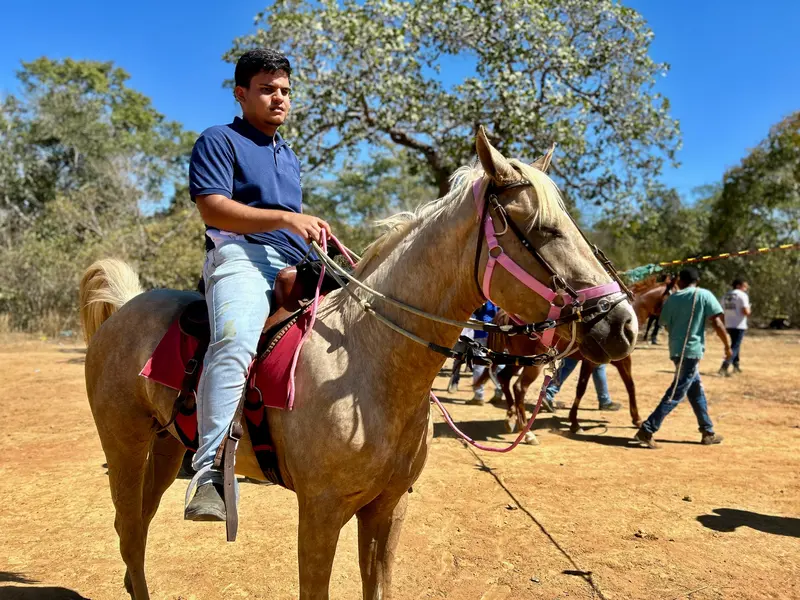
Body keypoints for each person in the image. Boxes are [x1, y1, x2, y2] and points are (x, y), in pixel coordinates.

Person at [184, 49, 331, 521]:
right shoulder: (219, 140)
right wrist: (287, 218)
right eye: (268, 89)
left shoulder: (288, 156)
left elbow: (290, 224)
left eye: (285, 91)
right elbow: (213, 208)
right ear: (241, 93)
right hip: (239, 257)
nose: (279, 98)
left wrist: (315, 237)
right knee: (234, 339)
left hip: (295, 262)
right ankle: (208, 475)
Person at [635, 267, 731, 449]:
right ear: (697, 281)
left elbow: (664, 323)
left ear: (680, 281)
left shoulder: (673, 298)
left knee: (695, 390)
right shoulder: (703, 295)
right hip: (691, 351)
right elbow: (717, 322)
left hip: (677, 350)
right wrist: (727, 346)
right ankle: (647, 429)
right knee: (676, 392)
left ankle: (707, 431)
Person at [543, 358, 621, 413]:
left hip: (575, 338)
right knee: (599, 365)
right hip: (590, 341)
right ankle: (605, 401)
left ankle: (548, 394)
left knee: (568, 363)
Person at [465, 301, 502, 405]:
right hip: (494, 333)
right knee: (498, 362)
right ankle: (500, 391)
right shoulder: (494, 298)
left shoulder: (482, 297)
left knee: (479, 364)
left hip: (482, 332)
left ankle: (478, 396)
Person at [719, 277, 751, 376]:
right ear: (738, 285)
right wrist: (749, 309)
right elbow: (745, 311)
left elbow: (721, 311)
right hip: (739, 324)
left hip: (728, 323)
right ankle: (725, 366)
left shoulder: (726, 295)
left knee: (734, 345)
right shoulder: (742, 295)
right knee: (735, 346)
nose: (746, 288)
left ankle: (736, 366)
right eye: (744, 286)